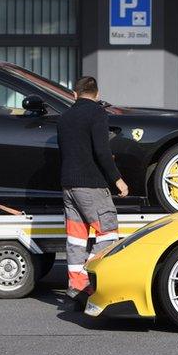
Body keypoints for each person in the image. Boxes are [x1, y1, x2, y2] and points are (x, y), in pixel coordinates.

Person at [57, 76, 129, 303]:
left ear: (74, 95)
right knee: (108, 233)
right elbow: (102, 151)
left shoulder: (64, 117)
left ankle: (76, 286)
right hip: (91, 185)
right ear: (97, 95)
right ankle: (89, 278)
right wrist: (117, 179)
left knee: (76, 239)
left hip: (68, 186)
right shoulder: (97, 113)